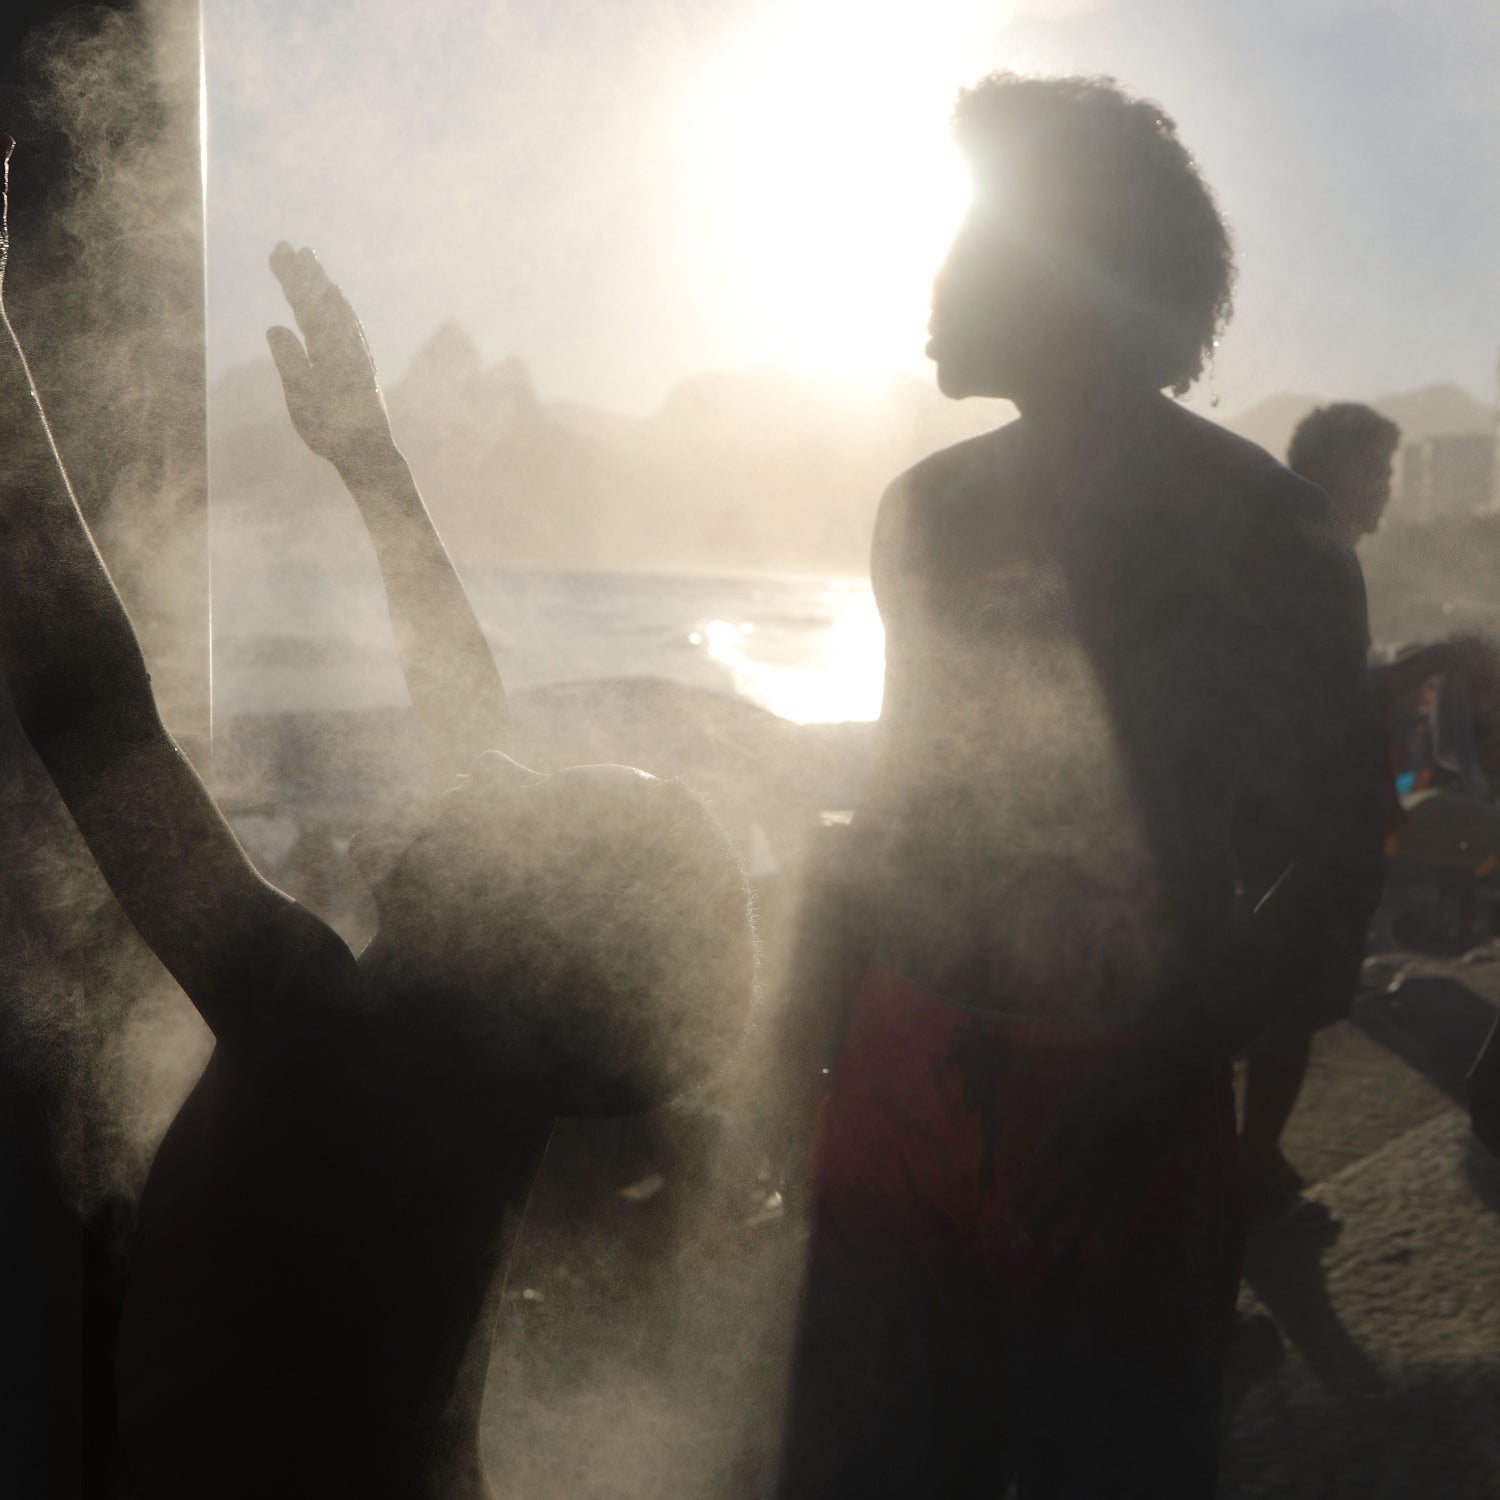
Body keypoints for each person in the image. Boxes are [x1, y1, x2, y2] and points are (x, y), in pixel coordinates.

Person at [0, 137, 755, 1499]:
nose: (497, 776)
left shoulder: (321, 1038)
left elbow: (92, 715)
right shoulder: (478, 1081)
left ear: (515, 939)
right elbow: (469, 710)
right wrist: (369, 456)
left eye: (530, 813)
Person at [773, 76, 1386, 1499]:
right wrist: (810, 1062)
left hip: (1119, 1089)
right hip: (894, 1069)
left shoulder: (1271, 533)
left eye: (973, 234)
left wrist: (1160, 1076)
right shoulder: (926, 510)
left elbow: (1337, 864)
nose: (934, 275)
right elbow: (903, 804)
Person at [1237, 402, 1403, 1230]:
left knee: (1272, 1000)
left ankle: (1250, 1159)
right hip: (1300, 824)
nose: (1388, 494)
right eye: (1379, 472)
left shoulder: (1291, 545)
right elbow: (1328, 701)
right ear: (1333, 469)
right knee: (1287, 1002)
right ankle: (1250, 1165)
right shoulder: (1315, 553)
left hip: (1284, 815)